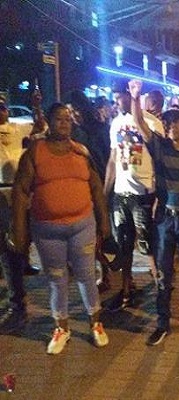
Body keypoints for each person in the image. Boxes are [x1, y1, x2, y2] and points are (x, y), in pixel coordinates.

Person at [11, 103, 111, 354]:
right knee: (57, 279)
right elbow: (20, 192)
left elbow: (96, 188)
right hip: (47, 231)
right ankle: (61, 328)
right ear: (49, 121)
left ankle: (95, 323)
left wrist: (104, 222)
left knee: (87, 276)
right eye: (59, 118)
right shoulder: (35, 153)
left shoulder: (81, 152)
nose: (64, 123)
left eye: (68, 119)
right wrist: (19, 231)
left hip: (82, 226)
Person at [128, 80, 179, 346]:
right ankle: (162, 323)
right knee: (163, 275)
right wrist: (135, 97)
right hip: (165, 219)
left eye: (176, 122)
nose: (171, 126)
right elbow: (140, 123)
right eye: (168, 123)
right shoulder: (160, 147)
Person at [103, 80, 164, 311]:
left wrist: (158, 193)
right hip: (121, 192)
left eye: (119, 98)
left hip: (143, 193)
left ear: (129, 95)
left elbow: (159, 160)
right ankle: (126, 289)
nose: (116, 103)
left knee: (148, 243)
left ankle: (161, 286)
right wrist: (105, 193)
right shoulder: (115, 123)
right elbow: (113, 160)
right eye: (115, 98)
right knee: (124, 244)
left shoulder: (152, 122)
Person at [0, 94, 35, 332]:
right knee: (6, 250)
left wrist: (37, 106)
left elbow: (40, 127)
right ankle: (15, 302)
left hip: (14, 193)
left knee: (12, 248)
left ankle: (17, 305)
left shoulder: (16, 128)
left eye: (2, 107)